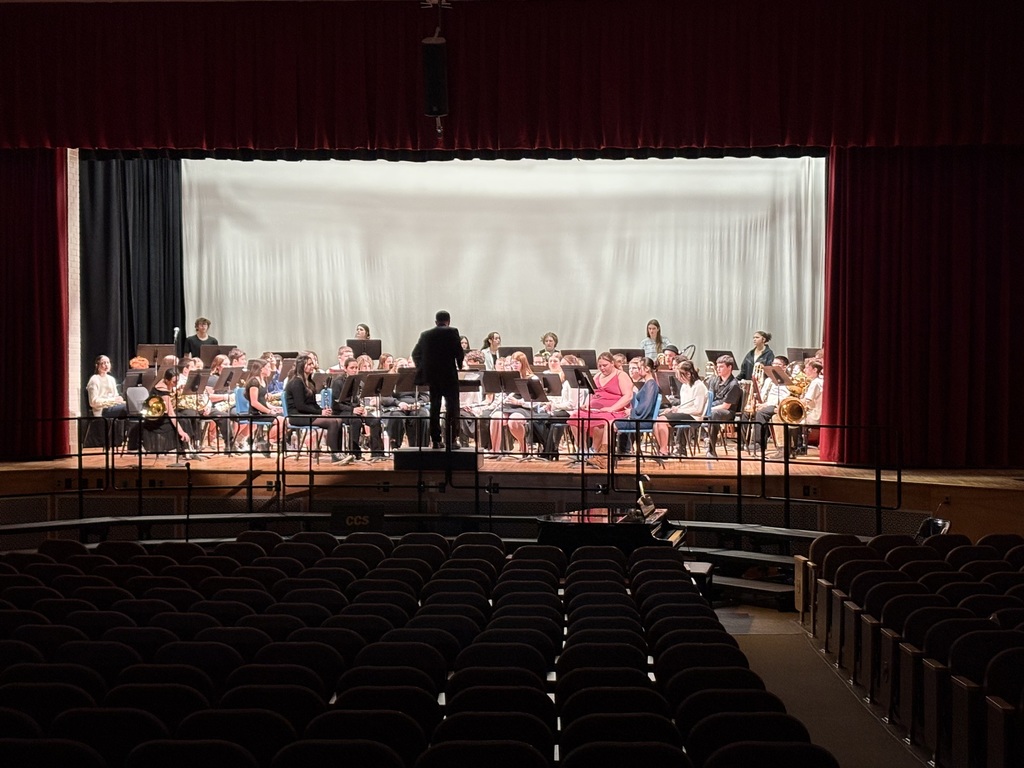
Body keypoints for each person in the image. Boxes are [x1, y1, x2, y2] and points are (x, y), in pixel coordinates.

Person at [568, 351, 633, 467]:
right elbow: (592, 394)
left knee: (601, 421)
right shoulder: (597, 376)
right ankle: (583, 450)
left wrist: (612, 408)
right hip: (595, 408)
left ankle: (595, 450)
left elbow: (628, 396)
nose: (602, 368)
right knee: (574, 417)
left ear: (612, 363)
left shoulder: (621, 375)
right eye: (600, 366)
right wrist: (586, 404)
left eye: (605, 365)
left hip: (614, 409)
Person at [412, 310, 466, 449]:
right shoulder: (452, 331)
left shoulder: (425, 335)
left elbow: (415, 353)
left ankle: (436, 440)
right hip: (449, 376)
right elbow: (459, 352)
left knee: (435, 407)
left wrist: (423, 368)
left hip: (433, 377)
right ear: (449, 321)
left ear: (436, 322)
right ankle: (451, 440)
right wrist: (459, 365)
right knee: (452, 407)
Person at [284, 353, 346, 462]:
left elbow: (312, 404)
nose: (312, 366)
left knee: (338, 420)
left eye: (312, 364)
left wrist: (323, 411)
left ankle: (339, 452)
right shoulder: (296, 382)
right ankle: (334, 454)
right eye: (309, 364)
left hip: (307, 414)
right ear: (302, 366)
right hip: (297, 416)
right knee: (332, 422)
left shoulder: (310, 382)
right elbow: (300, 406)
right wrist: (319, 413)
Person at [331, 356, 384, 461]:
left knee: (375, 421)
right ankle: (354, 453)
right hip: (342, 412)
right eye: (352, 368)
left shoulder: (359, 381)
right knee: (355, 421)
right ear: (345, 368)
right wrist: (352, 410)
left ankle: (377, 454)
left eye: (356, 368)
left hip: (356, 410)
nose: (355, 370)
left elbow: (360, 399)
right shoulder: (338, 382)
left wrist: (363, 408)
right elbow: (335, 405)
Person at [653, 358, 708, 456]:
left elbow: (698, 410)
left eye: (680, 375)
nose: (678, 378)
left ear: (688, 374)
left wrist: (679, 410)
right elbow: (685, 404)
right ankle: (662, 449)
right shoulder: (685, 386)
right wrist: (675, 409)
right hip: (685, 413)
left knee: (662, 421)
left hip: (694, 417)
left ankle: (664, 451)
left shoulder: (699, 386)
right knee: (657, 420)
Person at [750, 356, 791, 455]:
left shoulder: (786, 381)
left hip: (777, 406)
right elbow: (764, 393)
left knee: (761, 414)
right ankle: (745, 442)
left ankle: (758, 444)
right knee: (747, 413)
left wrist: (766, 405)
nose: (774, 366)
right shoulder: (768, 380)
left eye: (778, 365)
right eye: (774, 364)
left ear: (784, 367)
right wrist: (759, 403)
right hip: (766, 404)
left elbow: (783, 397)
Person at [704, 355, 743, 458]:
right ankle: (680, 447)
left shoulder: (734, 385)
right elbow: (709, 397)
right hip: (712, 408)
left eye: (721, 367)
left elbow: (726, 406)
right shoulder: (714, 380)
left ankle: (711, 449)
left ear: (729, 368)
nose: (718, 369)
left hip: (727, 412)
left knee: (714, 414)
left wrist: (708, 409)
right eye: (717, 366)